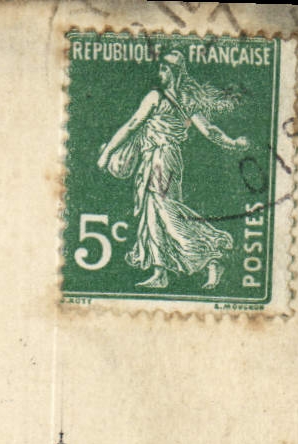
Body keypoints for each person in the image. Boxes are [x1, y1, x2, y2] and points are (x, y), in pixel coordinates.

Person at [97, 52, 248, 290]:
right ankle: (160, 272)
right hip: (162, 158)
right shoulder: (187, 101)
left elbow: (133, 124)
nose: (160, 74)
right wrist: (232, 143)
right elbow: (211, 131)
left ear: (173, 72)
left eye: (164, 70)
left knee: (167, 213)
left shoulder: (156, 97)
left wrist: (107, 153)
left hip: (161, 158)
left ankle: (210, 257)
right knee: (153, 213)